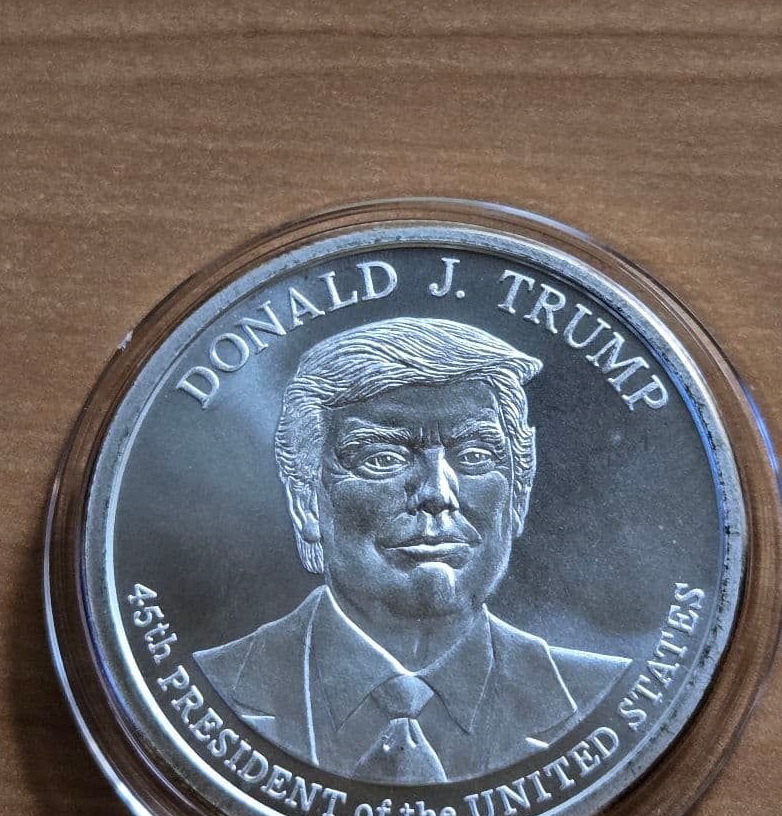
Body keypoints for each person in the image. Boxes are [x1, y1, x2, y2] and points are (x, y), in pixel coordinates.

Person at [194, 317, 630, 784]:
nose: (437, 493)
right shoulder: (210, 687)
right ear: (305, 501)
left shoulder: (605, 694)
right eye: (383, 458)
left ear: (519, 493)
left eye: (476, 456)